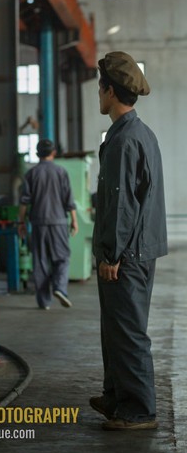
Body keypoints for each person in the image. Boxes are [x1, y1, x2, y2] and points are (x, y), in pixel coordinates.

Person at [90, 51, 168, 431]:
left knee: (128, 332)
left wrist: (111, 253)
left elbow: (121, 204)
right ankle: (117, 396)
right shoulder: (140, 133)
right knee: (116, 329)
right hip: (137, 249)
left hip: (127, 254)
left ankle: (138, 410)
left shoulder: (124, 141)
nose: (98, 94)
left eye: (100, 87)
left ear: (110, 91)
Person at [18, 139, 78, 310]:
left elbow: (24, 202)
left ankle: (44, 302)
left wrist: (20, 222)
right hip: (58, 221)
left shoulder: (31, 174)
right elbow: (69, 200)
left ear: (37, 154)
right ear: (54, 153)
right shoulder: (61, 172)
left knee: (41, 261)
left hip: (38, 222)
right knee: (62, 257)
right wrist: (74, 220)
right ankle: (59, 288)